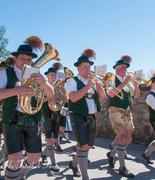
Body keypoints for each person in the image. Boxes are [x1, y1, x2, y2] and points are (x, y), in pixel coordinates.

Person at [0, 36, 54, 180]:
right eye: (22, 58)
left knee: (35, 158)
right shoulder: (6, 73)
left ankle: (21, 174)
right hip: (13, 118)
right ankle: (13, 175)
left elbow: (51, 94)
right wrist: (17, 91)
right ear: (16, 59)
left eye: (29, 60)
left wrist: (44, 83)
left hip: (32, 118)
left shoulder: (35, 74)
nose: (26, 62)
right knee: (15, 158)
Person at [66, 49, 106, 180]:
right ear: (78, 68)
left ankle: (73, 164)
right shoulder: (72, 81)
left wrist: (97, 84)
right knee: (83, 146)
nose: (88, 69)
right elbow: (73, 98)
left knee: (87, 146)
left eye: (89, 67)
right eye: (85, 67)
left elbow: (103, 96)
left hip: (91, 116)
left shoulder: (92, 81)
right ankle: (85, 176)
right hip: (77, 115)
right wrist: (88, 85)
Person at [106, 55, 140, 178]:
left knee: (128, 139)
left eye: (126, 67)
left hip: (127, 110)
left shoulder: (129, 81)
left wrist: (135, 84)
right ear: (117, 68)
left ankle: (112, 154)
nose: (126, 70)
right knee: (122, 136)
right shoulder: (112, 78)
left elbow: (136, 96)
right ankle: (122, 167)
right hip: (115, 109)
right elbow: (110, 94)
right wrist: (125, 82)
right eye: (124, 67)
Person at [41, 62, 64, 172]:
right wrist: (50, 97)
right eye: (51, 74)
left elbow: (63, 101)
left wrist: (63, 92)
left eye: (55, 74)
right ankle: (54, 164)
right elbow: (39, 101)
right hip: (46, 113)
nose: (54, 77)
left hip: (56, 114)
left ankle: (44, 154)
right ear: (47, 76)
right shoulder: (43, 86)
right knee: (49, 139)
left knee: (54, 139)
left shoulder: (59, 87)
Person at [0, 56, 15, 170]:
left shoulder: (8, 80)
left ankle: (1, 159)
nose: (3, 71)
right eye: (2, 69)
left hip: (6, 115)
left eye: (5, 69)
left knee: (6, 142)